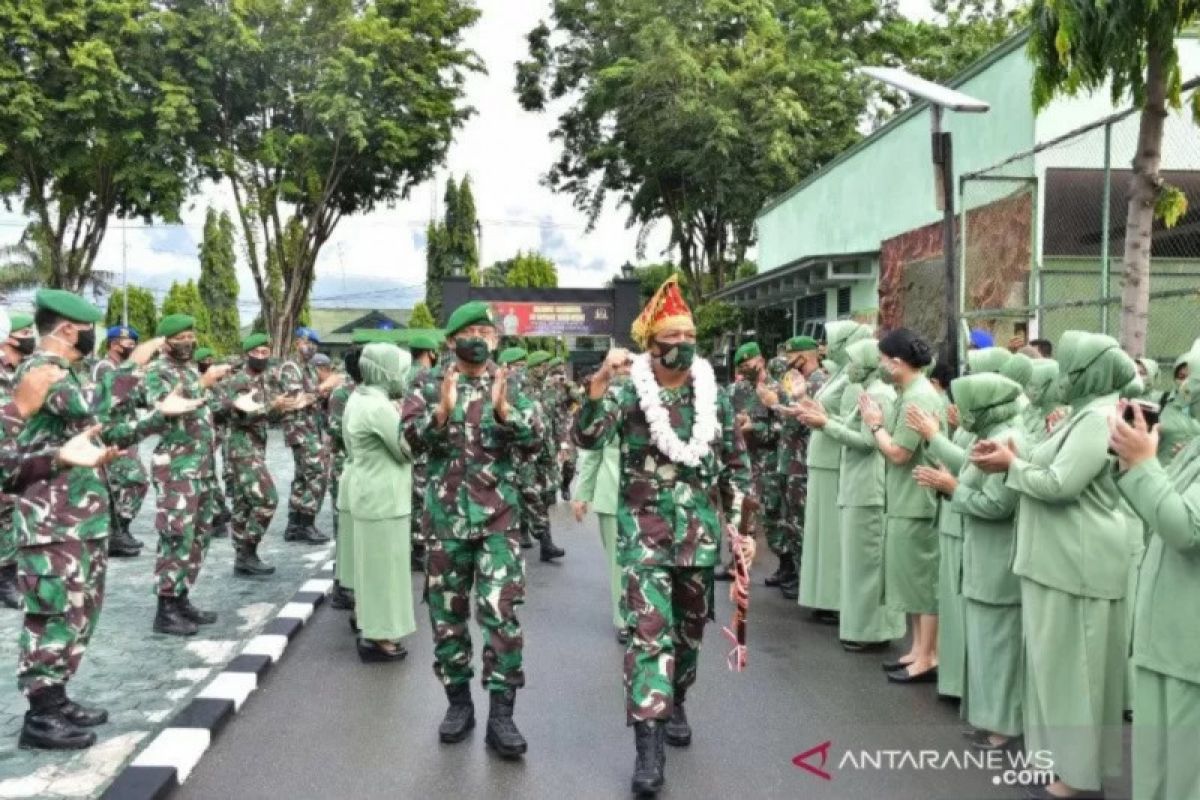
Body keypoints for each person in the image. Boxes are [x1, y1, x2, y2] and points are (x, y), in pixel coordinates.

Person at [574, 277, 750, 797]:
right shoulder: (631, 392)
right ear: (651, 345)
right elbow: (586, 435)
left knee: (689, 633)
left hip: (697, 538)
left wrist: (741, 530)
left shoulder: (710, 394)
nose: (682, 344)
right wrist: (600, 384)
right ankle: (648, 749)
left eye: (688, 334)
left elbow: (734, 467)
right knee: (650, 636)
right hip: (643, 536)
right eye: (671, 336)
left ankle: (679, 698)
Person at [14, 289, 201, 749]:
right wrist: (134, 367)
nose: (93, 337)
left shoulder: (69, 374)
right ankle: (40, 715)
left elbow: (103, 430)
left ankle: (56, 698)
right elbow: (92, 405)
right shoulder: (42, 371)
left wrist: (157, 416)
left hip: (81, 517)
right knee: (53, 612)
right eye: (86, 329)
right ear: (66, 329)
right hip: (51, 519)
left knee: (79, 612)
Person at [972, 331, 1132, 800]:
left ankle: (1077, 777)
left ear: (1091, 372)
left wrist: (1011, 468)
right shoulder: (1083, 414)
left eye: (1070, 368)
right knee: (1055, 671)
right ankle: (1060, 764)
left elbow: (1062, 483)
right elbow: (1042, 460)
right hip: (1056, 560)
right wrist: (1011, 458)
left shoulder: (1098, 417)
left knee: (1075, 674)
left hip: (1078, 561)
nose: (1061, 376)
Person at [402, 301, 539, 759]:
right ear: (451, 341)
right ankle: (458, 704)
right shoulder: (426, 384)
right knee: (446, 619)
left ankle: (502, 716)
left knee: (501, 615)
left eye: (486, 330)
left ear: (496, 340)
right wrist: (440, 412)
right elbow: (408, 443)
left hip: (499, 520)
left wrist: (505, 413)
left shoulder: (512, 383)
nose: (478, 337)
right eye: (469, 331)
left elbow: (536, 441)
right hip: (445, 523)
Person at [917, 373, 1027, 752]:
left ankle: (1005, 727)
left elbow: (998, 504)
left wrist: (952, 488)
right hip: (982, 557)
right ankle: (991, 720)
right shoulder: (993, 431)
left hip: (997, 560)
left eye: (967, 404)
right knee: (986, 644)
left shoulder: (1008, 437)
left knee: (999, 647)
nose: (959, 412)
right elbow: (969, 468)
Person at [1110, 352, 1200, 800]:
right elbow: (1161, 514)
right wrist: (1136, 461)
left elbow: (1185, 529)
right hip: (1168, 637)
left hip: (1188, 646)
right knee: (1156, 771)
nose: (1185, 385)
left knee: (1184, 774)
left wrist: (1144, 464)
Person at [909, 346, 1013, 700]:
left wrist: (935, 438)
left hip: (971, 518)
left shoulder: (1006, 428)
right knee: (955, 607)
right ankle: (954, 680)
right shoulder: (983, 419)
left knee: (969, 613)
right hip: (957, 515)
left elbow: (974, 470)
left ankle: (959, 684)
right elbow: (967, 459)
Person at [797, 338, 904, 652]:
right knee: (858, 564)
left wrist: (826, 424)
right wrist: (824, 417)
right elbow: (854, 427)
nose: (850, 368)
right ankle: (861, 628)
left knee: (868, 564)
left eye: (856, 361)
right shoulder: (869, 392)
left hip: (869, 487)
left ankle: (872, 631)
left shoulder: (881, 395)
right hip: (855, 484)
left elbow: (868, 441)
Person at [858, 328, 944, 684]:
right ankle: (916, 649)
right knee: (910, 580)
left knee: (922, 584)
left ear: (897, 363)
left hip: (916, 498)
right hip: (906, 498)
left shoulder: (917, 399)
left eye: (882, 360)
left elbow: (898, 453)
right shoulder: (909, 393)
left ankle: (927, 656)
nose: (880, 366)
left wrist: (875, 425)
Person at [143, 314, 232, 636]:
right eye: (181, 337)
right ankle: (165, 608)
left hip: (201, 467)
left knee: (199, 535)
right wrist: (204, 383)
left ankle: (181, 597)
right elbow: (161, 407)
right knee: (176, 534)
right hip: (176, 467)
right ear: (166, 341)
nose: (189, 341)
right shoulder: (157, 371)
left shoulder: (187, 370)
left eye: (192, 335)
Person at [796, 321, 873, 623]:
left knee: (831, 534)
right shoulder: (839, 373)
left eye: (834, 341)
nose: (828, 347)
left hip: (833, 454)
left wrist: (820, 417)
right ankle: (822, 595)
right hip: (822, 454)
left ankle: (834, 597)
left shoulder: (853, 378)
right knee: (820, 532)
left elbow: (849, 420)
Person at [345, 342, 417, 662]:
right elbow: (407, 449)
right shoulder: (378, 407)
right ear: (384, 371)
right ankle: (378, 637)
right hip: (383, 499)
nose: (403, 377)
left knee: (373, 570)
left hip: (371, 495)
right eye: (399, 370)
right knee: (384, 572)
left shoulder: (361, 397)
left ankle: (372, 626)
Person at [223, 333, 295, 577]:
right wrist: (271, 407)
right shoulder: (239, 381)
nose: (262, 357)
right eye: (257, 353)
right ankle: (247, 550)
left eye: (266, 353)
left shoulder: (265, 380)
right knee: (267, 499)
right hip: (241, 446)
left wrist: (282, 408)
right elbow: (238, 415)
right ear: (247, 354)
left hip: (256, 447)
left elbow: (267, 417)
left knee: (244, 504)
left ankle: (242, 559)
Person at [573, 354, 633, 643]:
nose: (624, 371)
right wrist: (582, 494)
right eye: (618, 365)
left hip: (647, 497)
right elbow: (593, 452)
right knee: (618, 562)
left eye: (628, 364)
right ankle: (623, 618)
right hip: (612, 494)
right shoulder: (605, 404)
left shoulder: (650, 399)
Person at [726, 342, 788, 586]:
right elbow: (726, 418)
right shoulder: (736, 390)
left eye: (748, 364)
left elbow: (785, 425)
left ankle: (786, 565)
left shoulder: (777, 389)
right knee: (739, 512)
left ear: (760, 361)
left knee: (772, 513)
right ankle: (737, 563)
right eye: (741, 366)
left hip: (768, 461)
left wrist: (756, 427)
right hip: (742, 461)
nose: (745, 370)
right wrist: (738, 423)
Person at [92, 325, 149, 558]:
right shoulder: (104, 367)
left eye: (133, 344)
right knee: (132, 481)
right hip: (109, 434)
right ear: (114, 344)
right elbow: (112, 395)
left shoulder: (120, 368)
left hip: (125, 434)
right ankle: (117, 532)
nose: (131, 348)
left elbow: (139, 397)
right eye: (127, 344)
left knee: (124, 485)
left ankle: (118, 531)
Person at [276, 327, 338, 544]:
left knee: (303, 475)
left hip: (310, 427)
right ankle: (307, 523)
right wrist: (322, 389)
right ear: (296, 343)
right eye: (306, 342)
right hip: (299, 429)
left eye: (314, 344)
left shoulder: (309, 369)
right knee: (317, 472)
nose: (310, 346)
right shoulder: (290, 368)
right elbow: (296, 399)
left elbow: (313, 397)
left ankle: (294, 524)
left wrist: (323, 392)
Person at [775, 335, 824, 599]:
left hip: (802, 461)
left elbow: (815, 420)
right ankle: (796, 572)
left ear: (804, 356)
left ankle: (807, 579)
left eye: (792, 357)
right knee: (791, 521)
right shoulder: (797, 381)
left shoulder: (818, 383)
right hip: (790, 459)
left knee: (802, 521)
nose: (788, 363)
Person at [0, 312, 38, 607]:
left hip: (13, 458)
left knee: (8, 518)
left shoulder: (18, 373)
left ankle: (8, 576)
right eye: (23, 333)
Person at [1023, 359, 1063, 444]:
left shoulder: (1058, 418)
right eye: (1026, 384)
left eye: (1033, 385)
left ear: (1050, 385)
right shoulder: (1029, 411)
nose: (1027, 390)